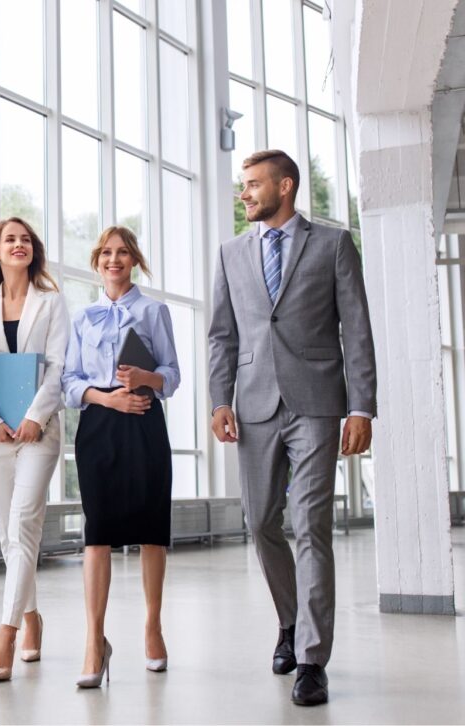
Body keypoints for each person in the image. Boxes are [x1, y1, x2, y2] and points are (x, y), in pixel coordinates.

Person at [208, 150, 376, 706]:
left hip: (319, 403)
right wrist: (219, 399)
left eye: (253, 184)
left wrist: (362, 407)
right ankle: (289, 620)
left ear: (286, 186)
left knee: (310, 524)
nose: (245, 194)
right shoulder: (231, 253)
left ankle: (311, 659)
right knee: (260, 523)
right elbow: (222, 335)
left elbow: (356, 328)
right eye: (242, 186)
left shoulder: (332, 244)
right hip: (253, 405)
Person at [61, 226, 180, 688]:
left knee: (151, 529)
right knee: (98, 533)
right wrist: (108, 398)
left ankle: (152, 627)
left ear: (134, 260)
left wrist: (145, 379)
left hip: (145, 421)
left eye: (123, 253)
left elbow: (172, 375)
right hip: (100, 424)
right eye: (107, 253)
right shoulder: (82, 317)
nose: (114, 260)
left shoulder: (154, 311)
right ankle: (95, 640)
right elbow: (69, 382)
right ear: (97, 261)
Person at [0, 217, 69, 681]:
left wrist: (33, 417)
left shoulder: (52, 302)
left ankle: (5, 632)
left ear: (33, 251)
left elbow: (60, 365)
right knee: (10, 534)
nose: (19, 245)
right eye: (11, 240)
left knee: (24, 521)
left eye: (25, 239)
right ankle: (31, 617)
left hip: (38, 433)